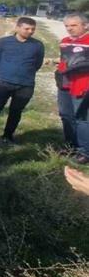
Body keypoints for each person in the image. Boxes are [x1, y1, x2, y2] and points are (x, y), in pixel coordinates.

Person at [0, 17, 45, 143]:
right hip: (3, 82)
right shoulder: (4, 42)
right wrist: (6, 71)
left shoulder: (38, 45)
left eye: (33, 29)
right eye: (27, 29)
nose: (30, 31)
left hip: (25, 85)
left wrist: (25, 73)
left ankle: (7, 136)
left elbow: (38, 63)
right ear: (17, 28)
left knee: (16, 112)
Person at [57, 13, 89, 164]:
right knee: (66, 115)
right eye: (67, 26)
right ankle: (70, 146)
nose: (69, 28)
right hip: (65, 85)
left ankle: (85, 152)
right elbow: (64, 61)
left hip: (82, 86)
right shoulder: (65, 41)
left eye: (74, 25)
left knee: (81, 119)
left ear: (85, 25)